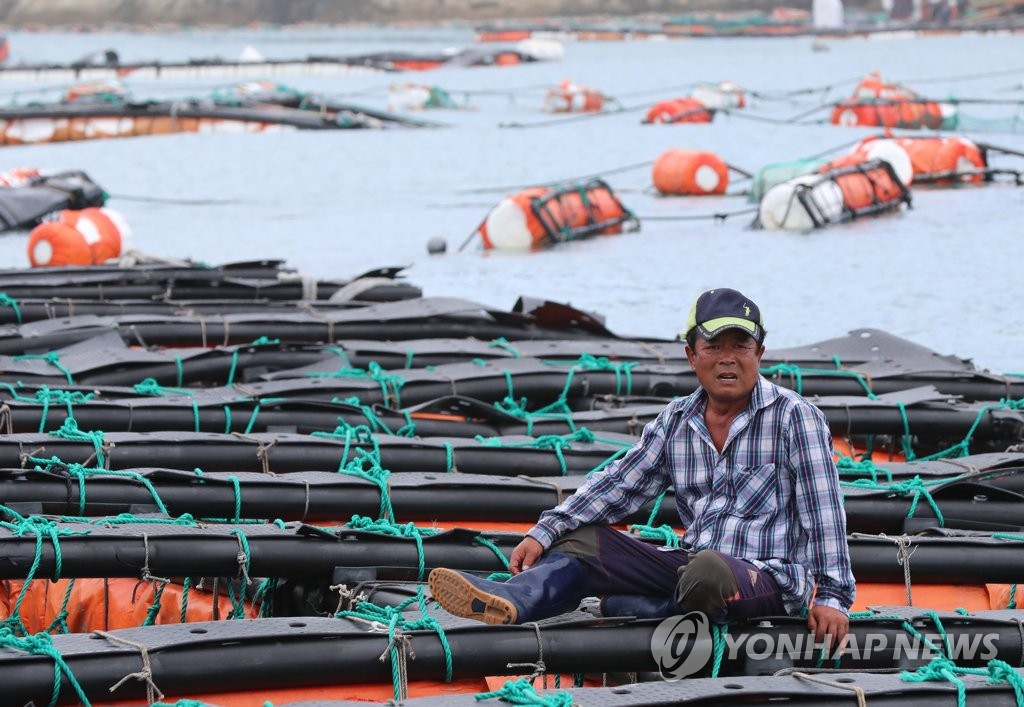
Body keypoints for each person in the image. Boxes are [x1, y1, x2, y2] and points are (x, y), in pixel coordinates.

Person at [429, 287, 855, 651]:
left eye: (740, 346)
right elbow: (619, 485)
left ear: (759, 353)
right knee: (582, 541)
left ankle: (644, 609)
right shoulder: (677, 420)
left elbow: (825, 513)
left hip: (766, 579)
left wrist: (832, 598)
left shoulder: (794, 417)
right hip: (691, 567)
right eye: (714, 346)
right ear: (692, 355)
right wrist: (546, 531)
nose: (729, 359)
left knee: (707, 571)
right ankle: (514, 600)